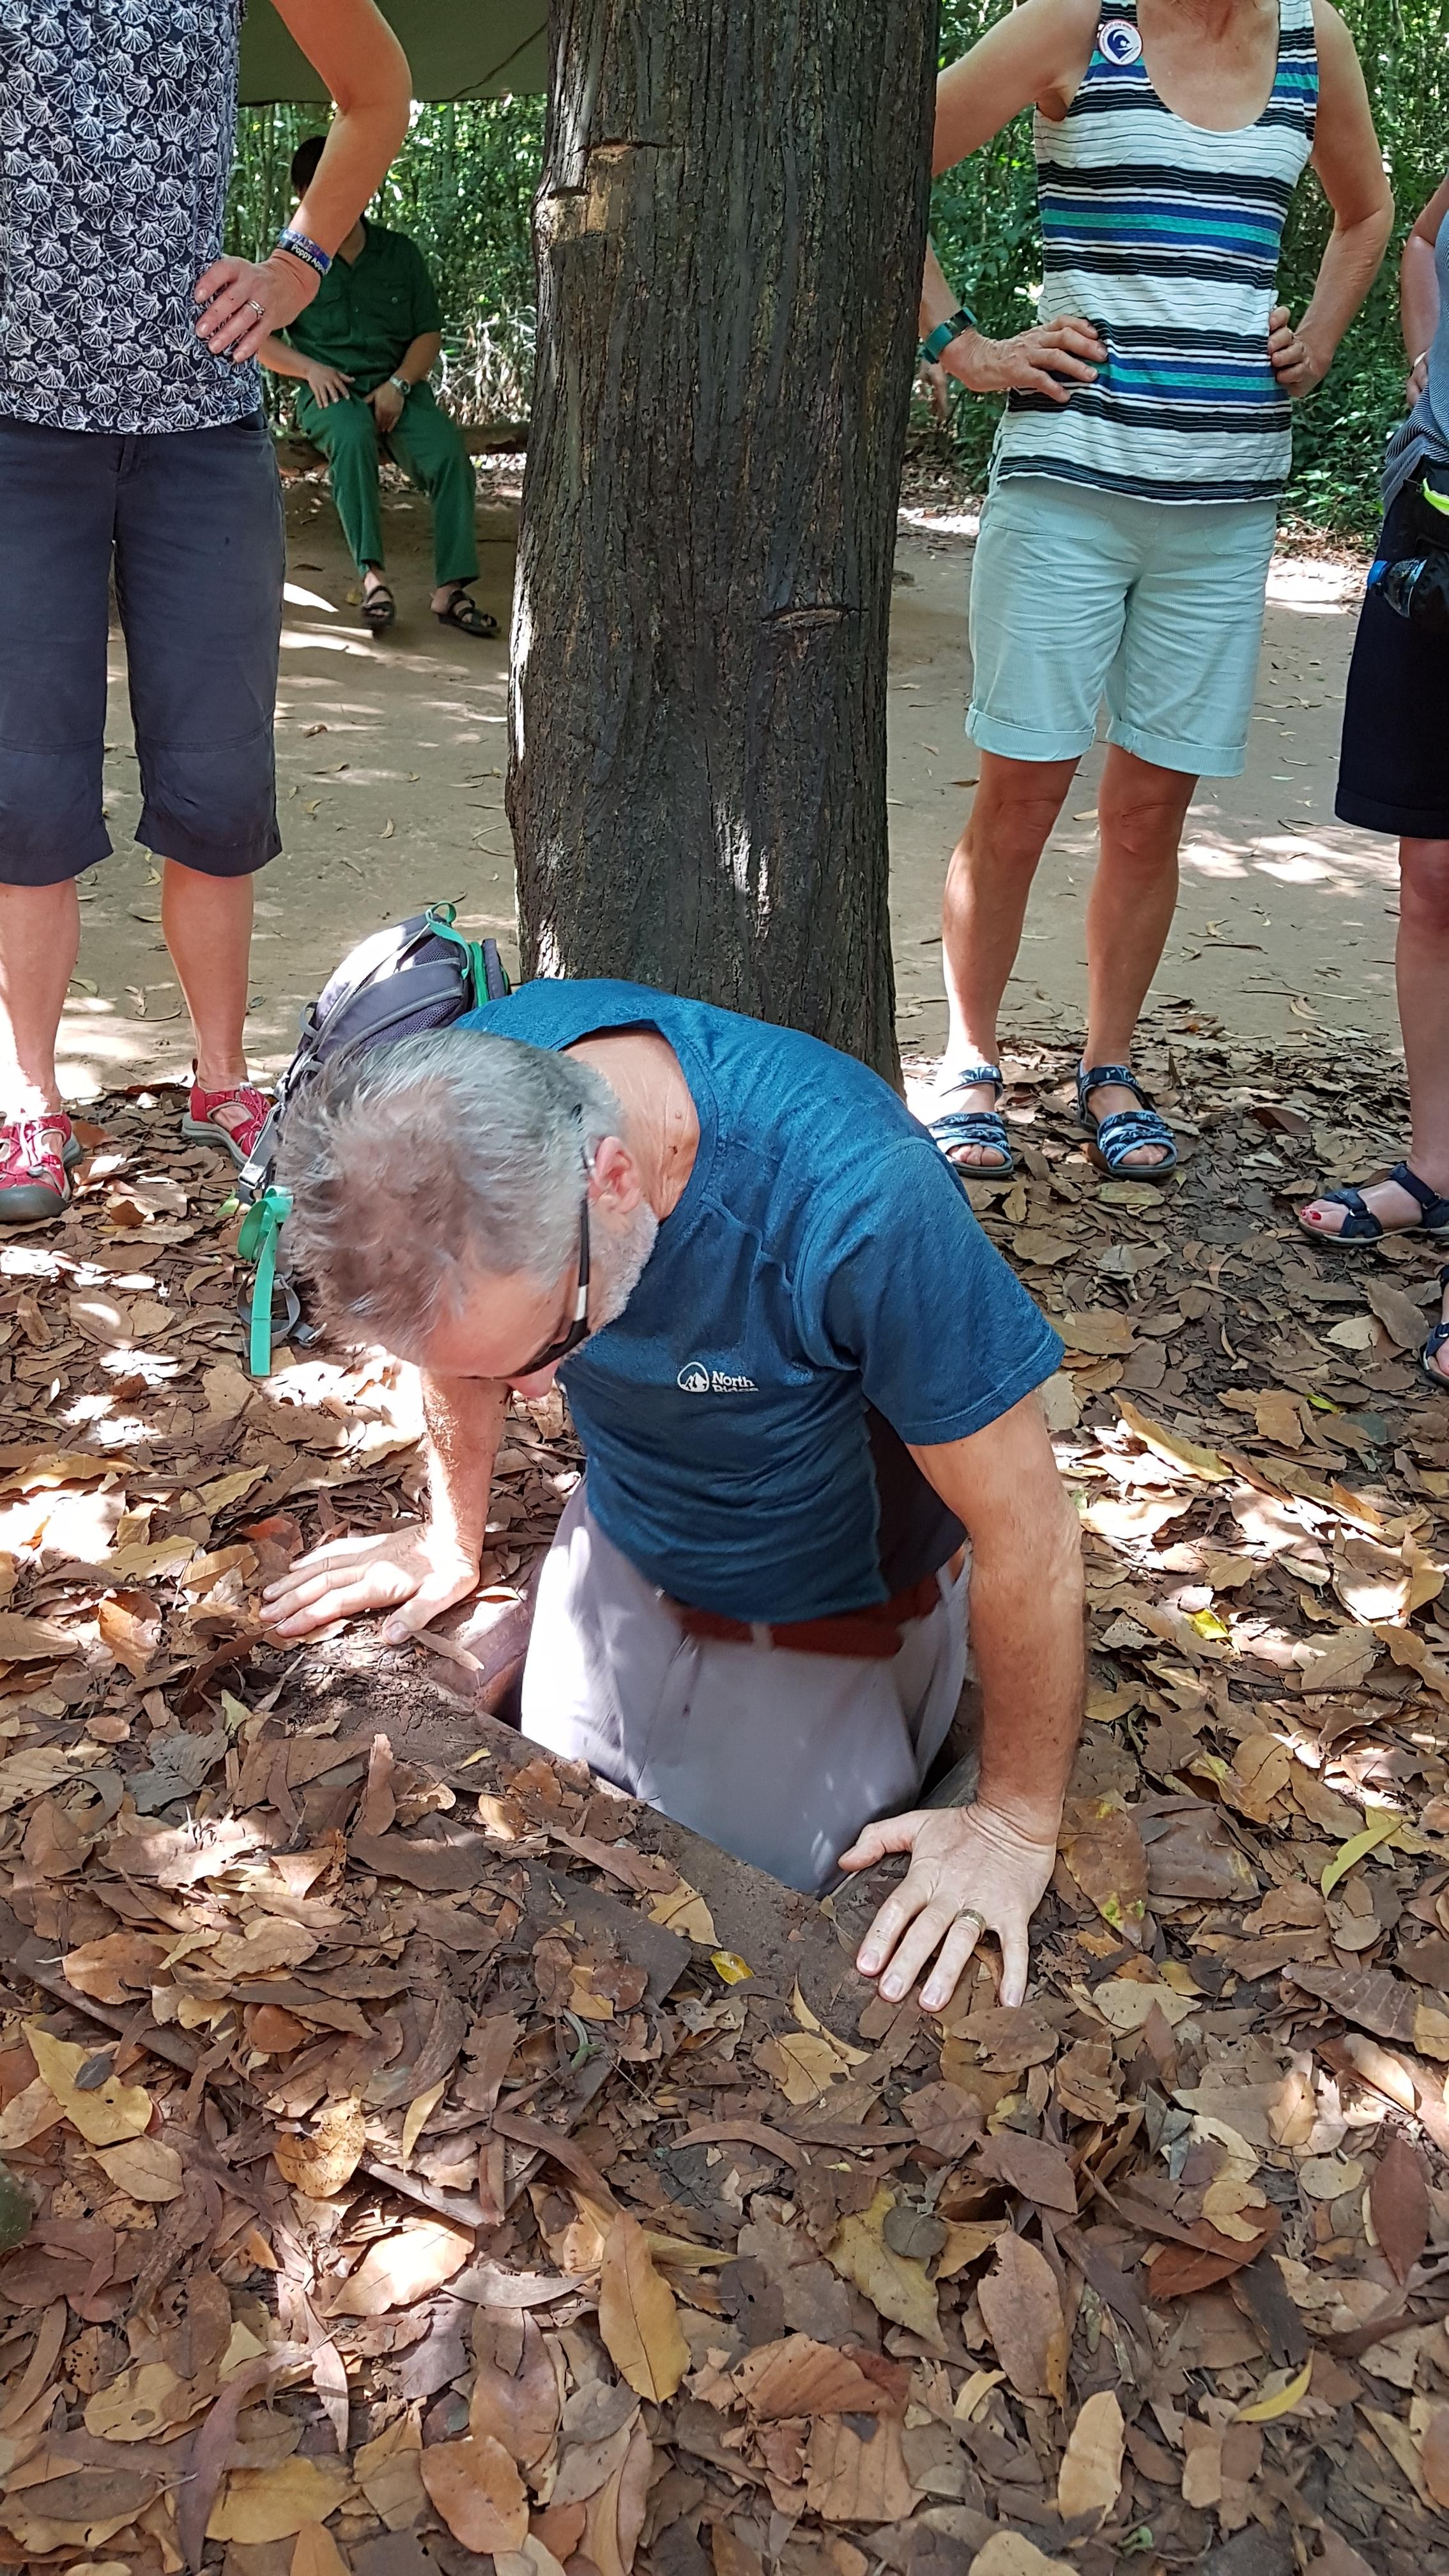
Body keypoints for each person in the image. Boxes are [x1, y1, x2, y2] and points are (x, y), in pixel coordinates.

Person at [262, 981, 1085, 2013]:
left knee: (744, 1934)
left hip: (835, 1602)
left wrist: (1013, 1820)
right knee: (551, 1847)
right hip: (622, 1534)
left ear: (611, 1178)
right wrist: (448, 1538)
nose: (534, 1394)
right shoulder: (462, 1108)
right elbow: (459, 1351)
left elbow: (1032, 1534)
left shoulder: (855, 1196)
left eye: (551, 1345)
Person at [918, 0, 1392, 1183]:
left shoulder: (1308, 40)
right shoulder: (1073, 22)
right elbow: (886, 167)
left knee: (1147, 814)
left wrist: (1319, 341)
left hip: (1225, 505)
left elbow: (1365, 210)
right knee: (1019, 794)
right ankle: (966, 1061)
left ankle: (1107, 1066)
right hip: (1068, 488)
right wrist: (960, 347)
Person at [0, 0, 411, 1223]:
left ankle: (224, 1081)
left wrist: (296, 265)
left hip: (198, 426)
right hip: (18, 433)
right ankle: (30, 1095)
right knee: (22, 792)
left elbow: (377, 89)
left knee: (221, 784)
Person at [1299, 174, 1449, 1388]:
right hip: (1434, 514)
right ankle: (1437, 1164)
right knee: (1430, 872)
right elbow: (1417, 234)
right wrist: (1421, 364)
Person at [259, 138, 494, 641]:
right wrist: (310, 370)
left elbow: (427, 333)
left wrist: (399, 384)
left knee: (451, 456)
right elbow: (260, 341)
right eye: (317, 188)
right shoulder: (289, 263)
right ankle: (373, 582)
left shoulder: (399, 254)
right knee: (351, 439)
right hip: (331, 393)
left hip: (398, 389)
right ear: (304, 194)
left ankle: (450, 590)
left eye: (344, 183)